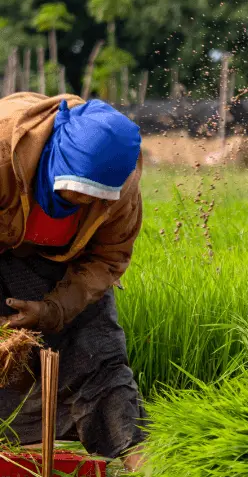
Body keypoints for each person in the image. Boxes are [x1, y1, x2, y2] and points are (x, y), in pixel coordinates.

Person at [0, 92, 146, 471]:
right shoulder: (3, 152)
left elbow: (107, 258)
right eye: (73, 187)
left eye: (93, 195)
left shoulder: (122, 186)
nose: (80, 200)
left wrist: (54, 309)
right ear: (55, 159)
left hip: (65, 263)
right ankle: (18, 445)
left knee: (98, 353)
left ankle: (138, 457)